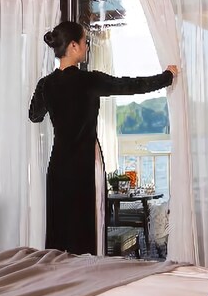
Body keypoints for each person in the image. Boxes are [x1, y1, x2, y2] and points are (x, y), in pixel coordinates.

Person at [28, 21, 178, 255]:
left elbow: (34, 116)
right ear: (73, 46)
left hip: (58, 166)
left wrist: (50, 100)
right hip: (85, 164)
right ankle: (87, 272)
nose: (87, 46)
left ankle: (57, 273)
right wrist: (167, 76)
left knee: (60, 230)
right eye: (85, 41)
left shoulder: (46, 84)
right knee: (86, 228)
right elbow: (131, 85)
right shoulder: (88, 80)